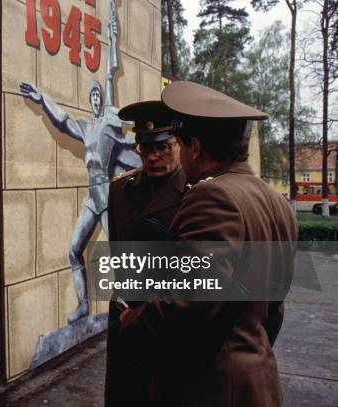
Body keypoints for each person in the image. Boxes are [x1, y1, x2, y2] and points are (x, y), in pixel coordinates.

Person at [116, 81, 298, 407]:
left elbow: (187, 301)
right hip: (256, 377)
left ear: (195, 147)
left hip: (210, 384)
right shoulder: (275, 199)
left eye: (178, 146)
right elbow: (275, 307)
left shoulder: (212, 194)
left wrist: (133, 321)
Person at [19, 12, 140, 323]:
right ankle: (83, 305)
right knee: (74, 251)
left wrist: (113, 38)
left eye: (100, 94)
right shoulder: (86, 129)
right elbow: (61, 122)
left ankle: (132, 299)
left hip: (109, 198)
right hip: (92, 198)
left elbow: (110, 75)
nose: (97, 97)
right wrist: (43, 98)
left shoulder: (110, 123)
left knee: (120, 254)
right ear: (89, 101)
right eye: (93, 95)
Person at [104, 101, 186, 406]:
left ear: (180, 143)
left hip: (170, 322)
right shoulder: (120, 191)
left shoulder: (197, 193)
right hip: (128, 320)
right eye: (144, 147)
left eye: (163, 147)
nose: (152, 157)